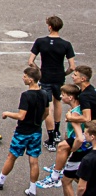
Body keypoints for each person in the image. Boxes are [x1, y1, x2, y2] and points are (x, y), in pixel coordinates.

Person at [0, 65, 45, 196]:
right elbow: (46, 112)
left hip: (23, 132)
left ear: (31, 80)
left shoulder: (26, 95)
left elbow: (21, 116)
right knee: (34, 160)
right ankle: (32, 189)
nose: (23, 78)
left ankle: (0, 180)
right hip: (36, 131)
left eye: (25, 76)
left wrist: (7, 113)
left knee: (12, 156)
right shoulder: (44, 94)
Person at [29, 16, 75, 151]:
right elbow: (72, 67)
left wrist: (39, 71)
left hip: (45, 77)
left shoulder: (40, 41)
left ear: (49, 26)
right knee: (58, 101)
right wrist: (64, 73)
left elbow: (31, 61)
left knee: (47, 106)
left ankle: (50, 138)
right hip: (59, 77)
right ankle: (57, 131)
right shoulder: (66, 44)